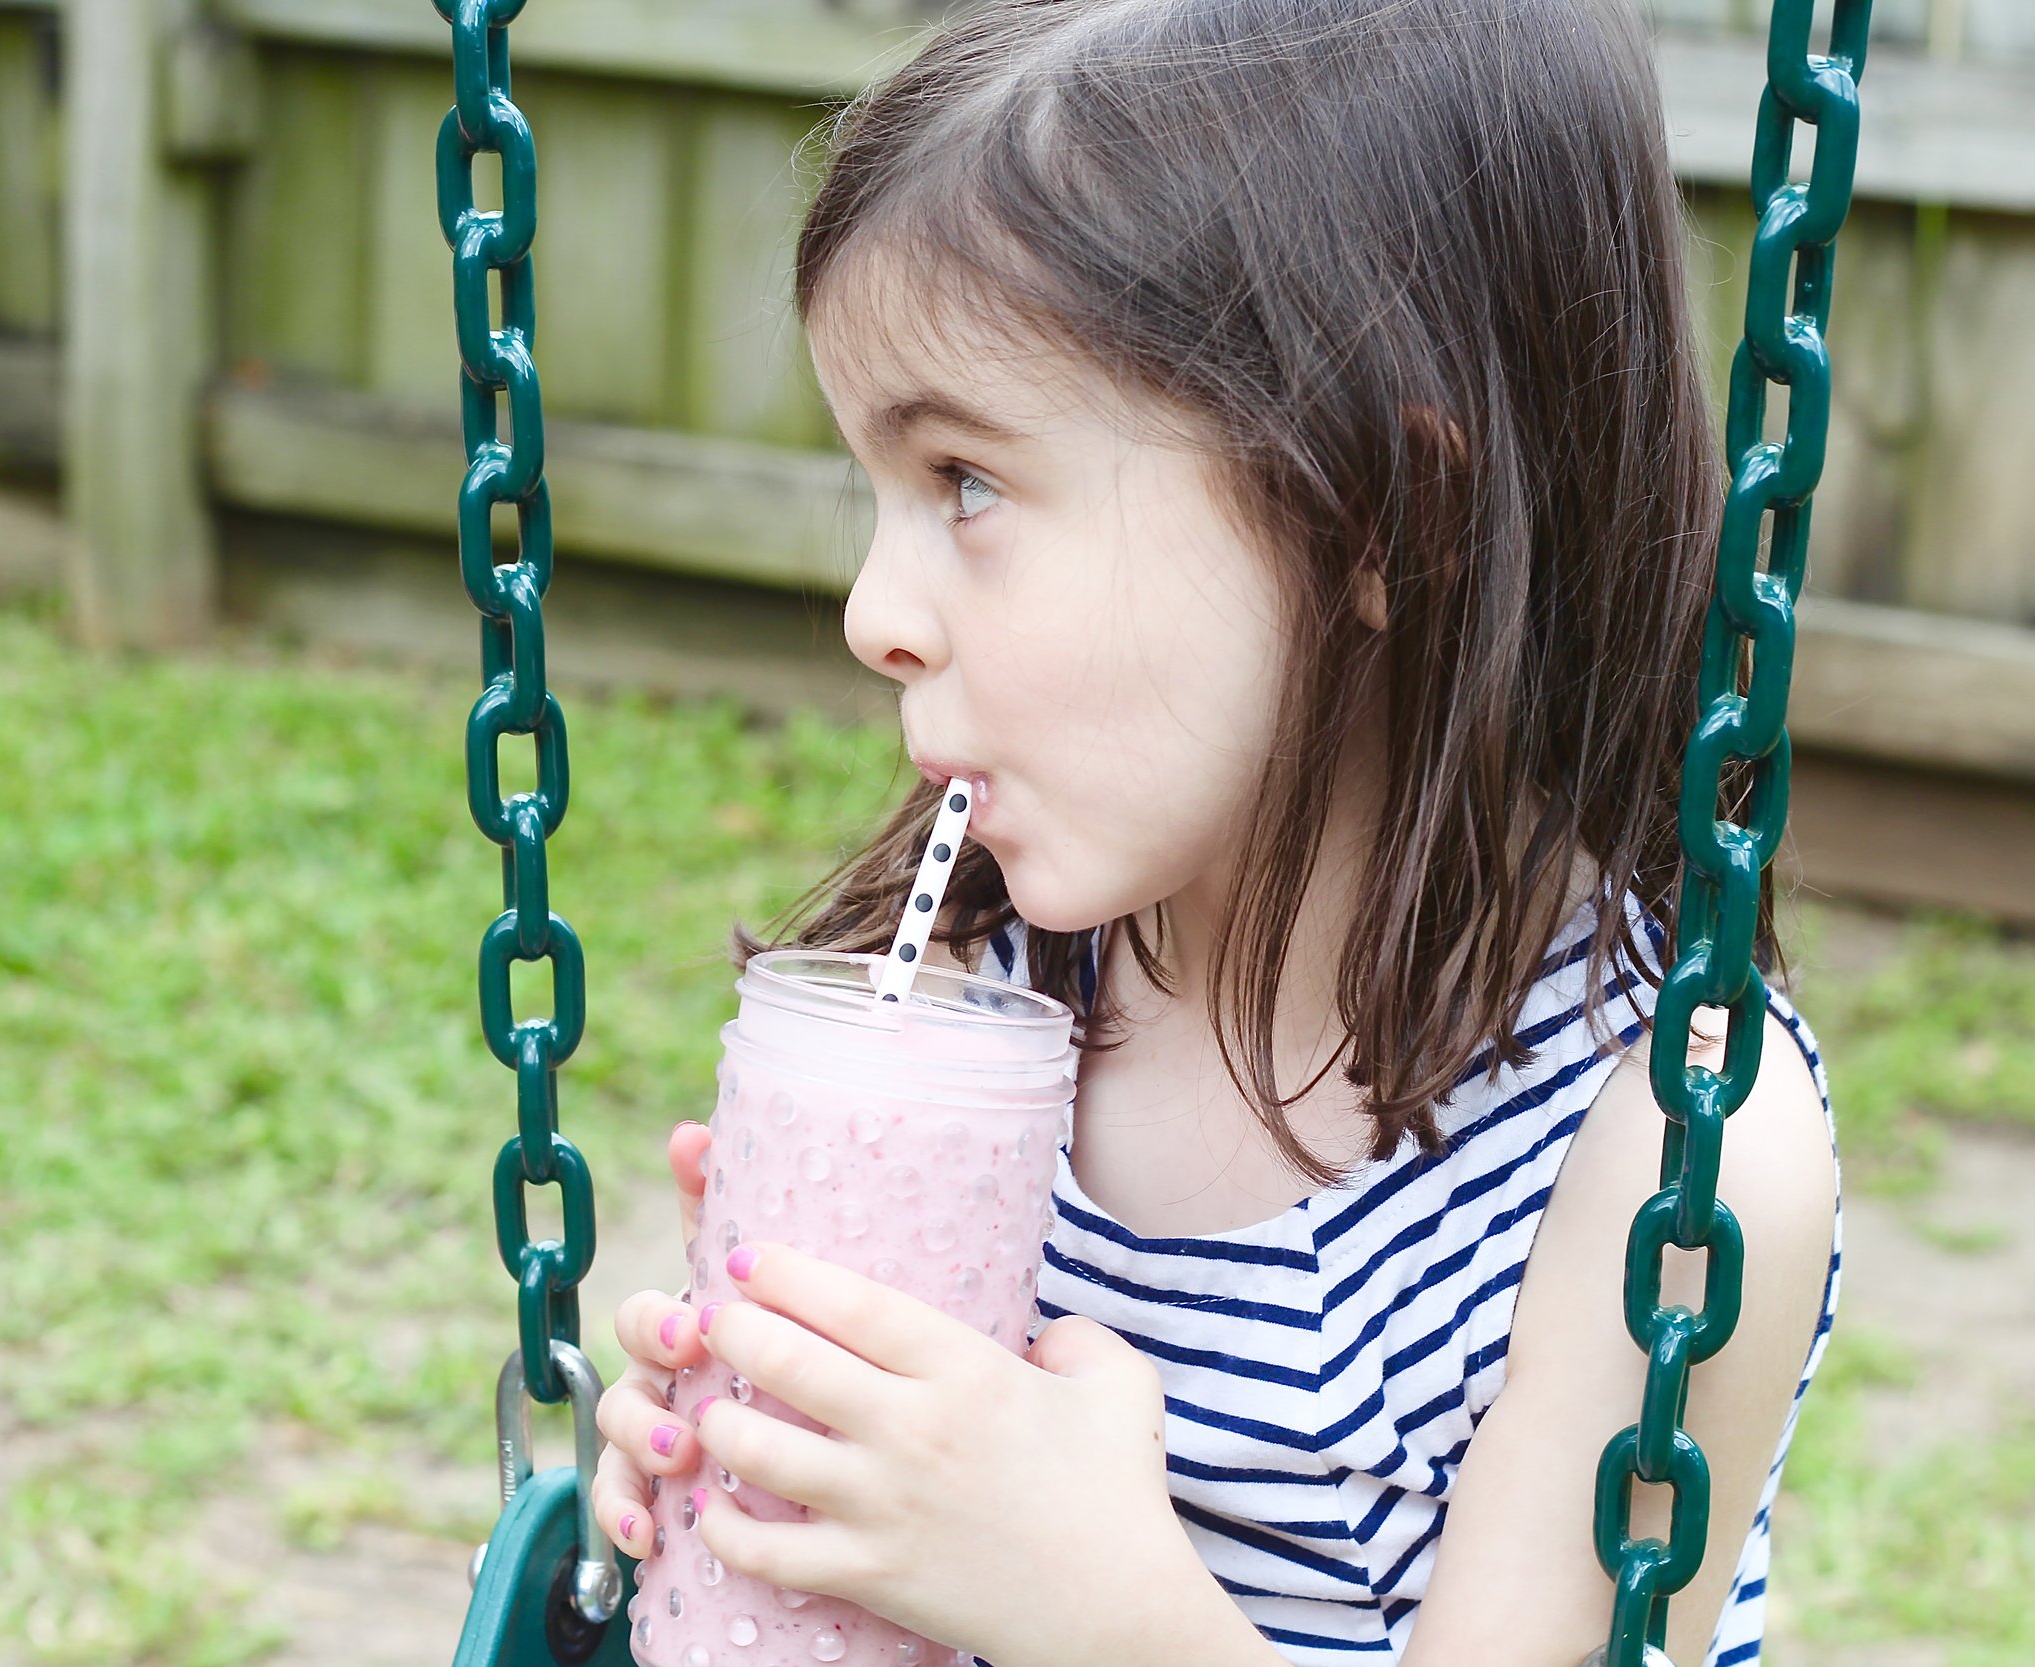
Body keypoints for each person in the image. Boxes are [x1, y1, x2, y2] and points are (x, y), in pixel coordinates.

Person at [587, 2, 1841, 1663]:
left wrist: (1083, 1602)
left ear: (1379, 519)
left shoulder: (1667, 1154)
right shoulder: (990, 981)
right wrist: (761, 1472)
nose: (874, 613)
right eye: (875, 494)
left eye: (964, 479)